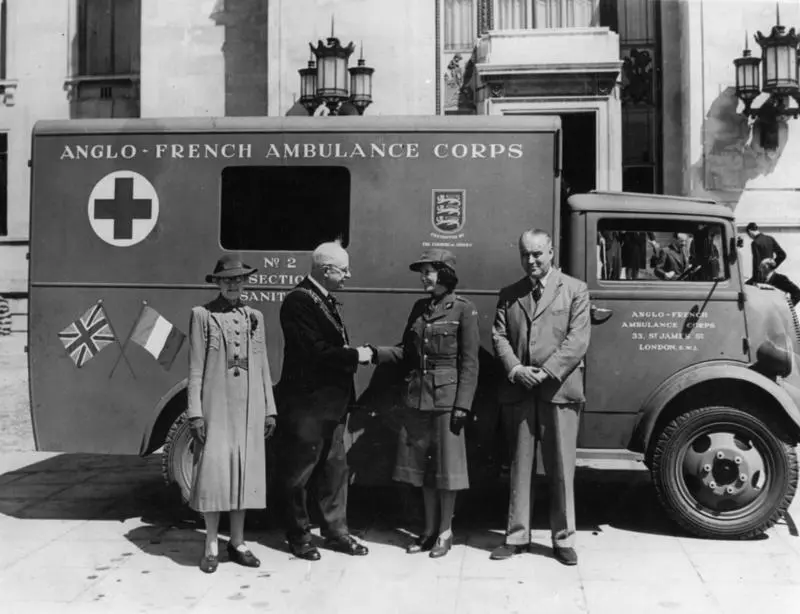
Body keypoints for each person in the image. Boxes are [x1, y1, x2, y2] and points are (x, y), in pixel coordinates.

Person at [491, 229, 590, 566]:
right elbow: (499, 336)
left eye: (537, 254)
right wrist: (516, 369)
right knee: (520, 466)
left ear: (551, 252)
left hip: (558, 391)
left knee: (561, 468)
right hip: (519, 389)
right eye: (524, 255)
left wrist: (545, 372)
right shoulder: (509, 294)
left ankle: (563, 539)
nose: (530, 261)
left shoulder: (575, 290)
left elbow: (577, 341)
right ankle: (517, 536)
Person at [371, 249, 479, 558]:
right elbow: (407, 352)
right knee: (424, 472)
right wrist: (373, 353)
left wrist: (463, 405)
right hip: (417, 399)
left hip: (447, 402)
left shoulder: (463, 310)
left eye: (429, 271)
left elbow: (470, 363)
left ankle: (445, 531)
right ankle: (429, 531)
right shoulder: (419, 308)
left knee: (446, 472)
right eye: (423, 272)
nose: (423, 277)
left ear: (444, 273)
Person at [277, 240, 372, 561]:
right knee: (299, 474)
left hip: (332, 404)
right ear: (326, 270)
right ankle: (299, 535)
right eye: (343, 270)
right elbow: (314, 352)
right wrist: (355, 355)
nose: (348, 275)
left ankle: (336, 532)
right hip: (307, 406)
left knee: (335, 470)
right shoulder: (298, 302)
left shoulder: (323, 300)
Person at [187, 254, 277, 574]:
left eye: (239, 279)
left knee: (243, 474)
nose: (233, 284)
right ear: (218, 282)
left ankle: (237, 541)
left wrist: (269, 408)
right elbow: (196, 367)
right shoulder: (202, 316)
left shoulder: (255, 316)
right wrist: (195, 413)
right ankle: (211, 543)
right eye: (227, 279)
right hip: (216, 404)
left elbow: (262, 363)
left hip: (249, 405)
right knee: (215, 475)